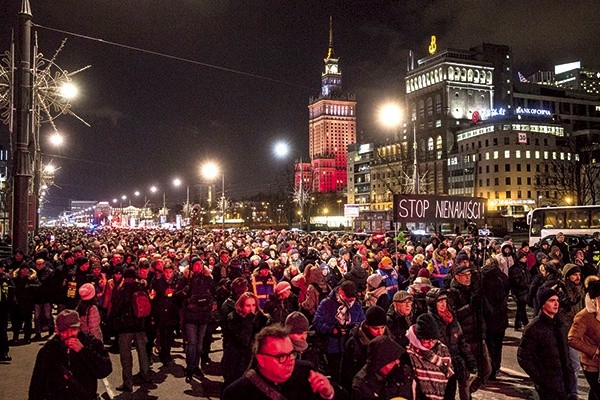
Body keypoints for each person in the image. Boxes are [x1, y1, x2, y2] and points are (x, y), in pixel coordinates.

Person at [222, 325, 342, 400]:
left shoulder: (306, 373)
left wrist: (328, 392)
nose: (290, 361)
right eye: (281, 357)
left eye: (291, 354)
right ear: (261, 359)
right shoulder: (236, 394)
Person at [28, 309, 112, 400]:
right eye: (65, 331)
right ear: (58, 331)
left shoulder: (91, 343)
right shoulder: (49, 350)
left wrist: (83, 351)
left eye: (73, 329)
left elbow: (105, 370)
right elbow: (37, 384)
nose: (70, 334)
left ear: (79, 327)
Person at [518, 287, 577, 400]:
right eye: (551, 301)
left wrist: (570, 378)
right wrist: (542, 379)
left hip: (565, 383)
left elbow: (565, 354)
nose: (556, 304)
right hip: (548, 386)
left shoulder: (559, 324)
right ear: (542, 304)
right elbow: (523, 357)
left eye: (557, 300)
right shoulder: (534, 328)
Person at [313, 280, 366, 381]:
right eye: (348, 296)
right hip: (333, 347)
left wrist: (353, 328)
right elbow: (317, 322)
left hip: (351, 347)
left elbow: (362, 322)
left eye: (353, 296)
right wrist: (332, 330)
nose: (351, 299)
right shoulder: (327, 303)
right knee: (336, 376)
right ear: (341, 292)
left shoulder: (356, 305)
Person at [109, 267, 151, 392]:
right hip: (140, 324)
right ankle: (146, 375)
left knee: (126, 355)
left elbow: (115, 308)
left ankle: (128, 382)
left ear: (125, 277)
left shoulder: (121, 290)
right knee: (142, 352)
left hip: (125, 327)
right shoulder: (141, 288)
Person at [176, 257, 217, 383]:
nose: (198, 267)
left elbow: (214, 293)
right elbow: (176, 296)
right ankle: (189, 368)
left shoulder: (207, 279)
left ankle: (196, 366)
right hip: (191, 316)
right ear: (191, 266)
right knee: (192, 344)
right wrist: (184, 291)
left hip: (204, 315)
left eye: (200, 264)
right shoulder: (185, 279)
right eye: (196, 265)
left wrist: (213, 302)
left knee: (199, 345)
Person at [221, 292, 269, 389]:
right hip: (235, 360)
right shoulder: (234, 318)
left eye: (253, 305)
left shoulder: (262, 319)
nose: (251, 309)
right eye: (248, 305)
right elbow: (243, 340)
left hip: (253, 361)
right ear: (241, 306)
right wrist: (249, 321)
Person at [405, 313, 454, 400]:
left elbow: (451, 377)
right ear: (419, 338)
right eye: (426, 341)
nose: (430, 344)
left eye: (433, 340)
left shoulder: (443, 349)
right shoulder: (410, 353)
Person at [340, 305, 389, 389]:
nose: (380, 332)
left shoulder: (389, 339)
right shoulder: (354, 342)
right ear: (367, 326)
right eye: (375, 328)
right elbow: (346, 372)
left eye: (382, 327)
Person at [352, 335, 414, 400]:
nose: (397, 362)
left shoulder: (403, 371)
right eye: (392, 362)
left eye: (397, 359)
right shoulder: (362, 384)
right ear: (380, 363)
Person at [568, 279, 600, 400]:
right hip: (591, 364)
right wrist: (594, 351)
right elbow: (572, 338)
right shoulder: (584, 316)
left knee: (594, 394)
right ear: (595, 299)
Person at [0, 261, 14, 361]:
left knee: (2, 331)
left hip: (3, 308)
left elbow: (12, 289)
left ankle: (4, 352)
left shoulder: (7, 278)